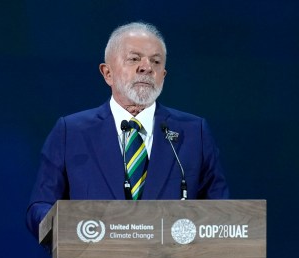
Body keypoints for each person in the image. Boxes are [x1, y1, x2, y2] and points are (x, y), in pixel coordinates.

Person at [25, 21, 230, 241]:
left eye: (156, 61)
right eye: (134, 59)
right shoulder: (71, 132)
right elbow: (40, 205)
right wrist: (68, 228)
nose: (146, 67)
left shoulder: (193, 132)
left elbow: (221, 212)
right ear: (107, 73)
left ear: (163, 75)